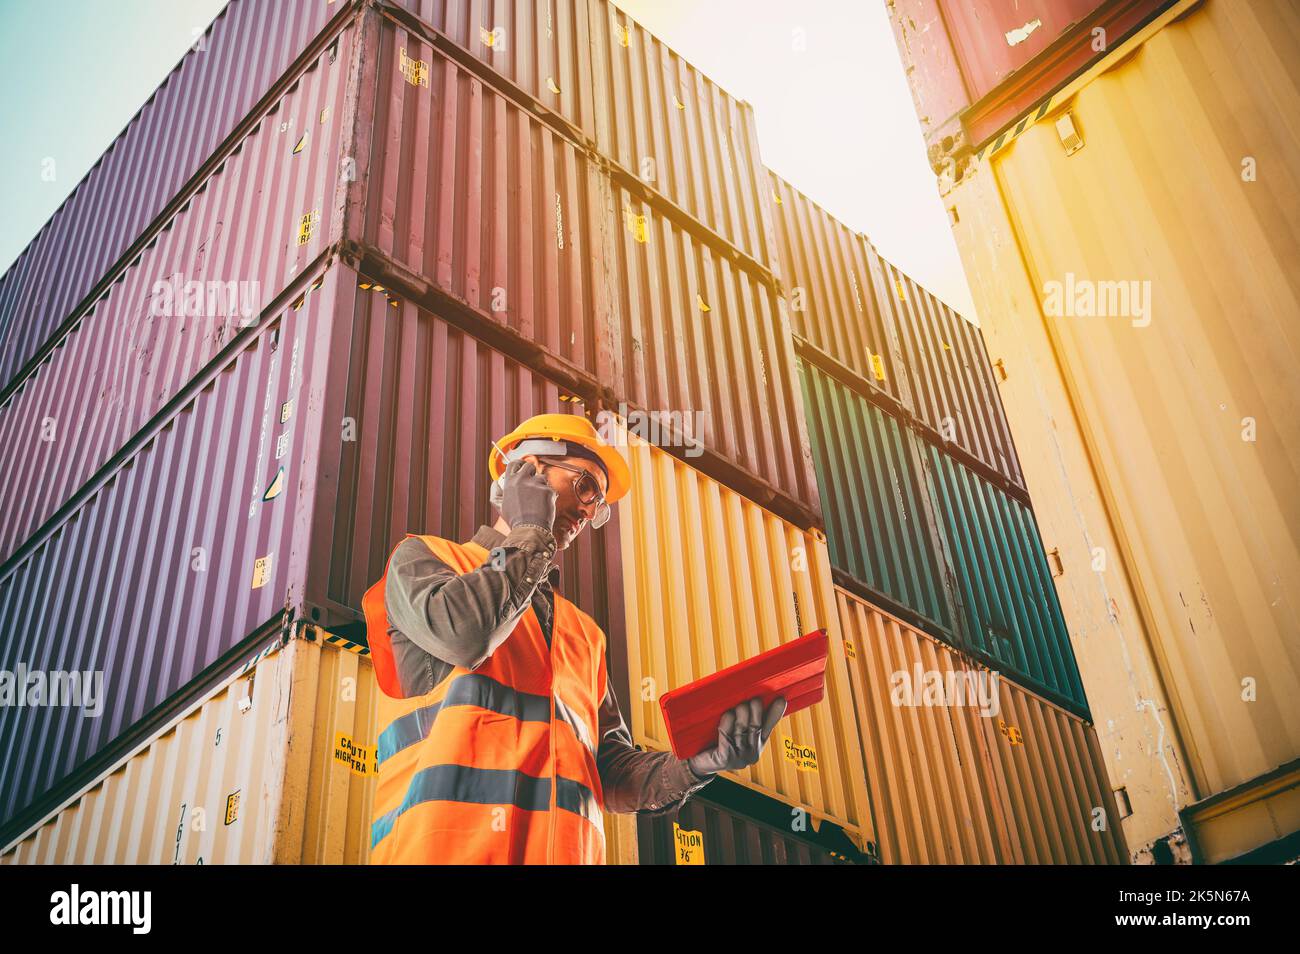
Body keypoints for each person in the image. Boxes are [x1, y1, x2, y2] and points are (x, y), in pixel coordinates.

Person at [362, 413, 786, 864]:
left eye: (599, 505)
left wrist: (700, 762)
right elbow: (468, 635)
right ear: (524, 471)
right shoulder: (424, 560)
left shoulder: (585, 636)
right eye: (585, 486)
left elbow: (610, 771)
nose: (588, 512)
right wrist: (530, 532)